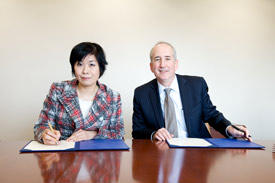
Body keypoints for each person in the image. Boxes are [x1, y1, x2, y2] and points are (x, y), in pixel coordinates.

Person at [132, 41, 252, 141]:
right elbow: (137, 131)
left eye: (168, 59)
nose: (162, 64)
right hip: (161, 152)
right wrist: (154, 134)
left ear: (176, 64)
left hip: (197, 150)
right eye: (157, 59)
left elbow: (211, 115)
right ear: (151, 66)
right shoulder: (141, 93)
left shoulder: (196, 85)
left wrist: (228, 128)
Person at [34, 42, 124, 145]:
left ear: (101, 67)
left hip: (99, 158)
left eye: (92, 65)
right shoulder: (58, 90)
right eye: (80, 64)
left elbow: (118, 134)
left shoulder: (112, 97)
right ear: (73, 67)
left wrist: (93, 134)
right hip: (63, 156)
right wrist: (45, 134)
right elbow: (41, 126)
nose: (85, 71)